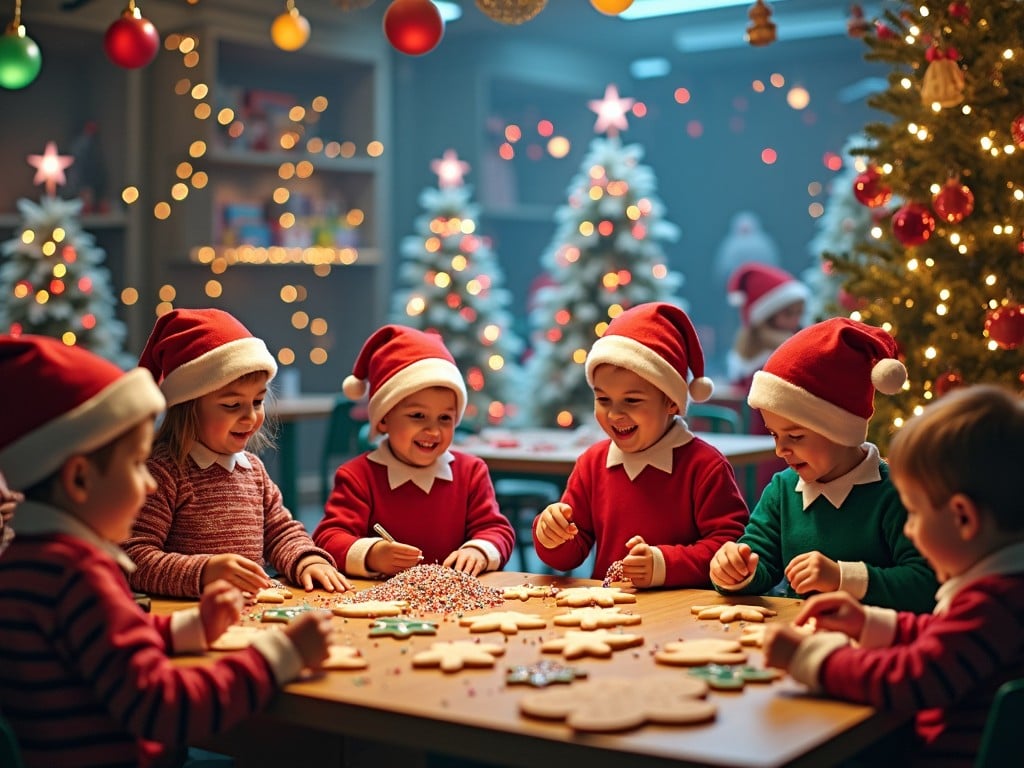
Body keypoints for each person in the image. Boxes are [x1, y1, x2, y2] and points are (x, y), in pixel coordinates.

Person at [0, 334, 332, 768]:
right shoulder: (77, 577)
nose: (150, 481)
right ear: (79, 480)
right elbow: (164, 708)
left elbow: (109, 645)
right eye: (137, 465)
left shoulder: (28, 563)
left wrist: (187, 630)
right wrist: (280, 657)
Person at [762, 384, 1024, 767]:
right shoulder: (1003, 592)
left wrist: (809, 658)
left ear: (963, 518)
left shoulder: (994, 604)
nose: (911, 529)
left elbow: (912, 677)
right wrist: (871, 622)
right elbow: (944, 637)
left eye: (915, 513)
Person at [709, 318, 938, 612]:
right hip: (799, 637)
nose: (781, 450)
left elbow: (926, 584)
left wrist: (842, 578)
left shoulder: (896, 493)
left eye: (795, 436)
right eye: (774, 434)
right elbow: (759, 558)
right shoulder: (783, 489)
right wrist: (735, 569)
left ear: (840, 429)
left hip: (875, 643)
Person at [124, 308, 350, 598]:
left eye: (257, 402)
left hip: (251, 615)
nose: (250, 417)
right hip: (191, 619)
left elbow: (281, 531)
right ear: (187, 408)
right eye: (232, 405)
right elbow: (134, 558)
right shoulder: (164, 473)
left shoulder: (253, 471)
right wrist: (204, 573)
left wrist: (307, 559)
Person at [532, 302, 749, 587]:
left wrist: (663, 566)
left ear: (672, 402)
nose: (614, 414)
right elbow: (569, 555)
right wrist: (551, 535)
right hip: (607, 616)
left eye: (632, 400)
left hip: (685, 619)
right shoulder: (592, 464)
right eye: (603, 399)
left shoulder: (705, 466)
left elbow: (731, 549)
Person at [313, 324, 515, 577]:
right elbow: (327, 538)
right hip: (380, 605)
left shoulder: (471, 472)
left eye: (445, 418)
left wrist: (479, 551)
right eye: (418, 416)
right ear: (384, 419)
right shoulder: (358, 476)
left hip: (459, 607)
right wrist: (371, 554)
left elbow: (497, 529)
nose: (433, 431)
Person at [725, 261, 811, 495]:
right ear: (768, 315)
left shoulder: (795, 346)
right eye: (788, 314)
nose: (795, 320)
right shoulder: (776, 355)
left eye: (798, 313)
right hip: (768, 440)